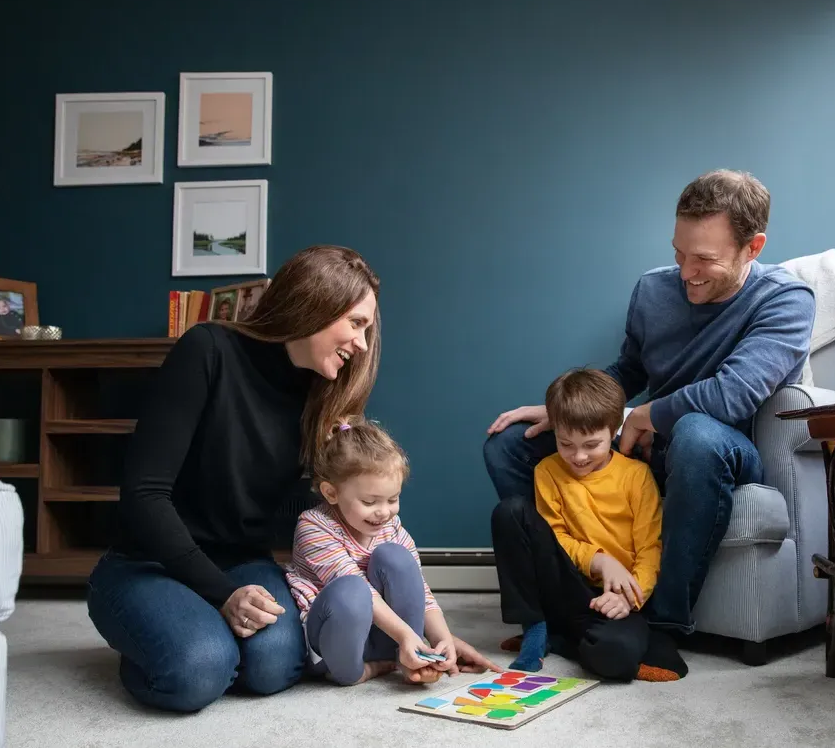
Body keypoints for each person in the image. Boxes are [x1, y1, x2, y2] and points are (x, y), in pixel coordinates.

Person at [86, 245, 498, 713]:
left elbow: (328, 520)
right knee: (197, 671)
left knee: (275, 668)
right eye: (356, 324)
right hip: (148, 563)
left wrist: (428, 631)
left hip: (243, 562)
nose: (362, 344)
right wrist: (222, 595)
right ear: (314, 305)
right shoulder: (208, 350)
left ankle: (194, 629)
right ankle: (154, 636)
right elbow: (144, 495)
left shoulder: (324, 396)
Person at [484, 170, 816, 636]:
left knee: (696, 434)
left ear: (752, 248)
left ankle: (663, 626)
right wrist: (567, 410)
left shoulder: (786, 301)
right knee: (510, 444)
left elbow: (734, 393)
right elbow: (628, 372)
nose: (686, 273)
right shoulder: (653, 290)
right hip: (643, 447)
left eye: (704, 259)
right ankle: (566, 597)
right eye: (679, 253)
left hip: (719, 452)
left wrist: (648, 415)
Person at [491, 369, 688, 682]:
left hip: (612, 597)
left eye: (591, 445)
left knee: (616, 658)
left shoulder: (636, 476)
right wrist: (600, 560)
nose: (578, 457)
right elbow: (555, 538)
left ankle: (560, 638)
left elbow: (651, 548)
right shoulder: (548, 470)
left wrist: (629, 598)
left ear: (614, 432)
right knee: (510, 512)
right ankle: (536, 627)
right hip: (563, 584)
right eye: (566, 444)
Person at [286, 417, 488, 685]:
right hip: (335, 643)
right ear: (331, 493)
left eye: (393, 499)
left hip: (384, 633)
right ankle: (357, 673)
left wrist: (441, 639)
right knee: (352, 590)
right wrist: (406, 636)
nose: (384, 512)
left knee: (397, 558)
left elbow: (420, 590)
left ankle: (407, 657)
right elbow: (360, 591)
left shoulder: (391, 526)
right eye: (369, 502)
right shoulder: (313, 526)